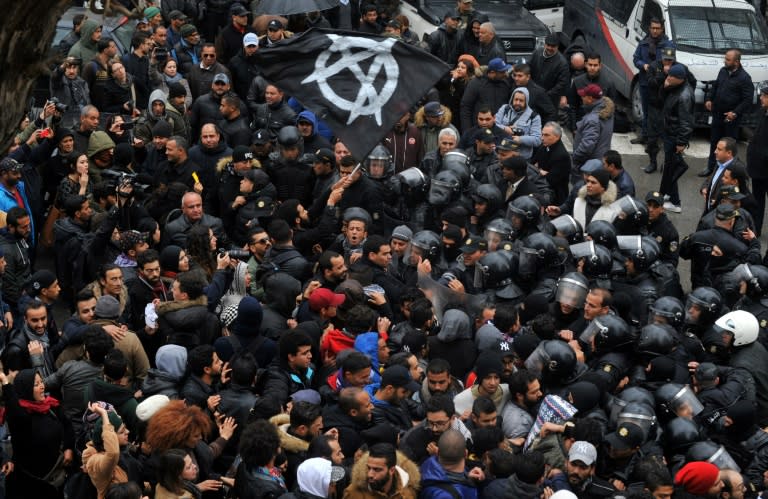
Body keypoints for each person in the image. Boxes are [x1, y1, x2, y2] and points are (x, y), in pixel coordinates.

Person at [0, 368, 75, 499]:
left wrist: (69, 447)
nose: (42, 387)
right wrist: (5, 382)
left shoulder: (50, 405)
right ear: (25, 389)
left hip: (55, 478)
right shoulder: (20, 416)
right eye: (36, 384)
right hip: (30, 483)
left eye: (41, 382)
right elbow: (14, 407)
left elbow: (68, 426)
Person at [701, 49, 754, 177]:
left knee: (729, 146)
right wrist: (709, 99)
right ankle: (711, 167)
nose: (725, 61)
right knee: (714, 142)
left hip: (731, 118)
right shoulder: (723, 71)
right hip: (718, 113)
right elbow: (716, 86)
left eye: (728, 60)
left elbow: (747, 100)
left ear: (736, 62)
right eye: (725, 58)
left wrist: (735, 113)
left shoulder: (744, 78)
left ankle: (728, 171)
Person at [631, 17, 674, 144]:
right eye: (653, 28)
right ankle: (645, 135)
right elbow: (636, 59)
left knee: (659, 113)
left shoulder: (668, 45)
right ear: (649, 29)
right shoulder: (643, 42)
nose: (655, 31)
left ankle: (656, 138)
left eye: (657, 28)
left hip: (660, 85)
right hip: (645, 82)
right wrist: (643, 65)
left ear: (662, 29)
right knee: (646, 110)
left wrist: (661, 68)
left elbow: (670, 63)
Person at [658, 64, 693, 214]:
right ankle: (666, 193)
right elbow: (661, 100)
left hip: (674, 137)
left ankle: (675, 202)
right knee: (668, 166)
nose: (668, 77)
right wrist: (665, 87)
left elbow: (686, 122)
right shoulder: (674, 87)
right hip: (669, 133)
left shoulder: (684, 96)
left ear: (679, 79)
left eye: (671, 76)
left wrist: (681, 142)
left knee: (672, 168)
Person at [343, 442, 420, 499]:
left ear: (391, 470)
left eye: (377, 470)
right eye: (369, 468)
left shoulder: (408, 493)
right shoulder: (353, 493)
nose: (370, 474)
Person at [420, 430, 481, 499]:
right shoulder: (445, 497)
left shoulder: (427, 465)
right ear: (466, 453)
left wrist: (467, 478)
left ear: (438, 451)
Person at [748, 85, 768, 236]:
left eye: (764, 95)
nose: (761, 98)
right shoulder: (762, 112)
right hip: (758, 169)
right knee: (757, 201)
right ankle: (756, 229)